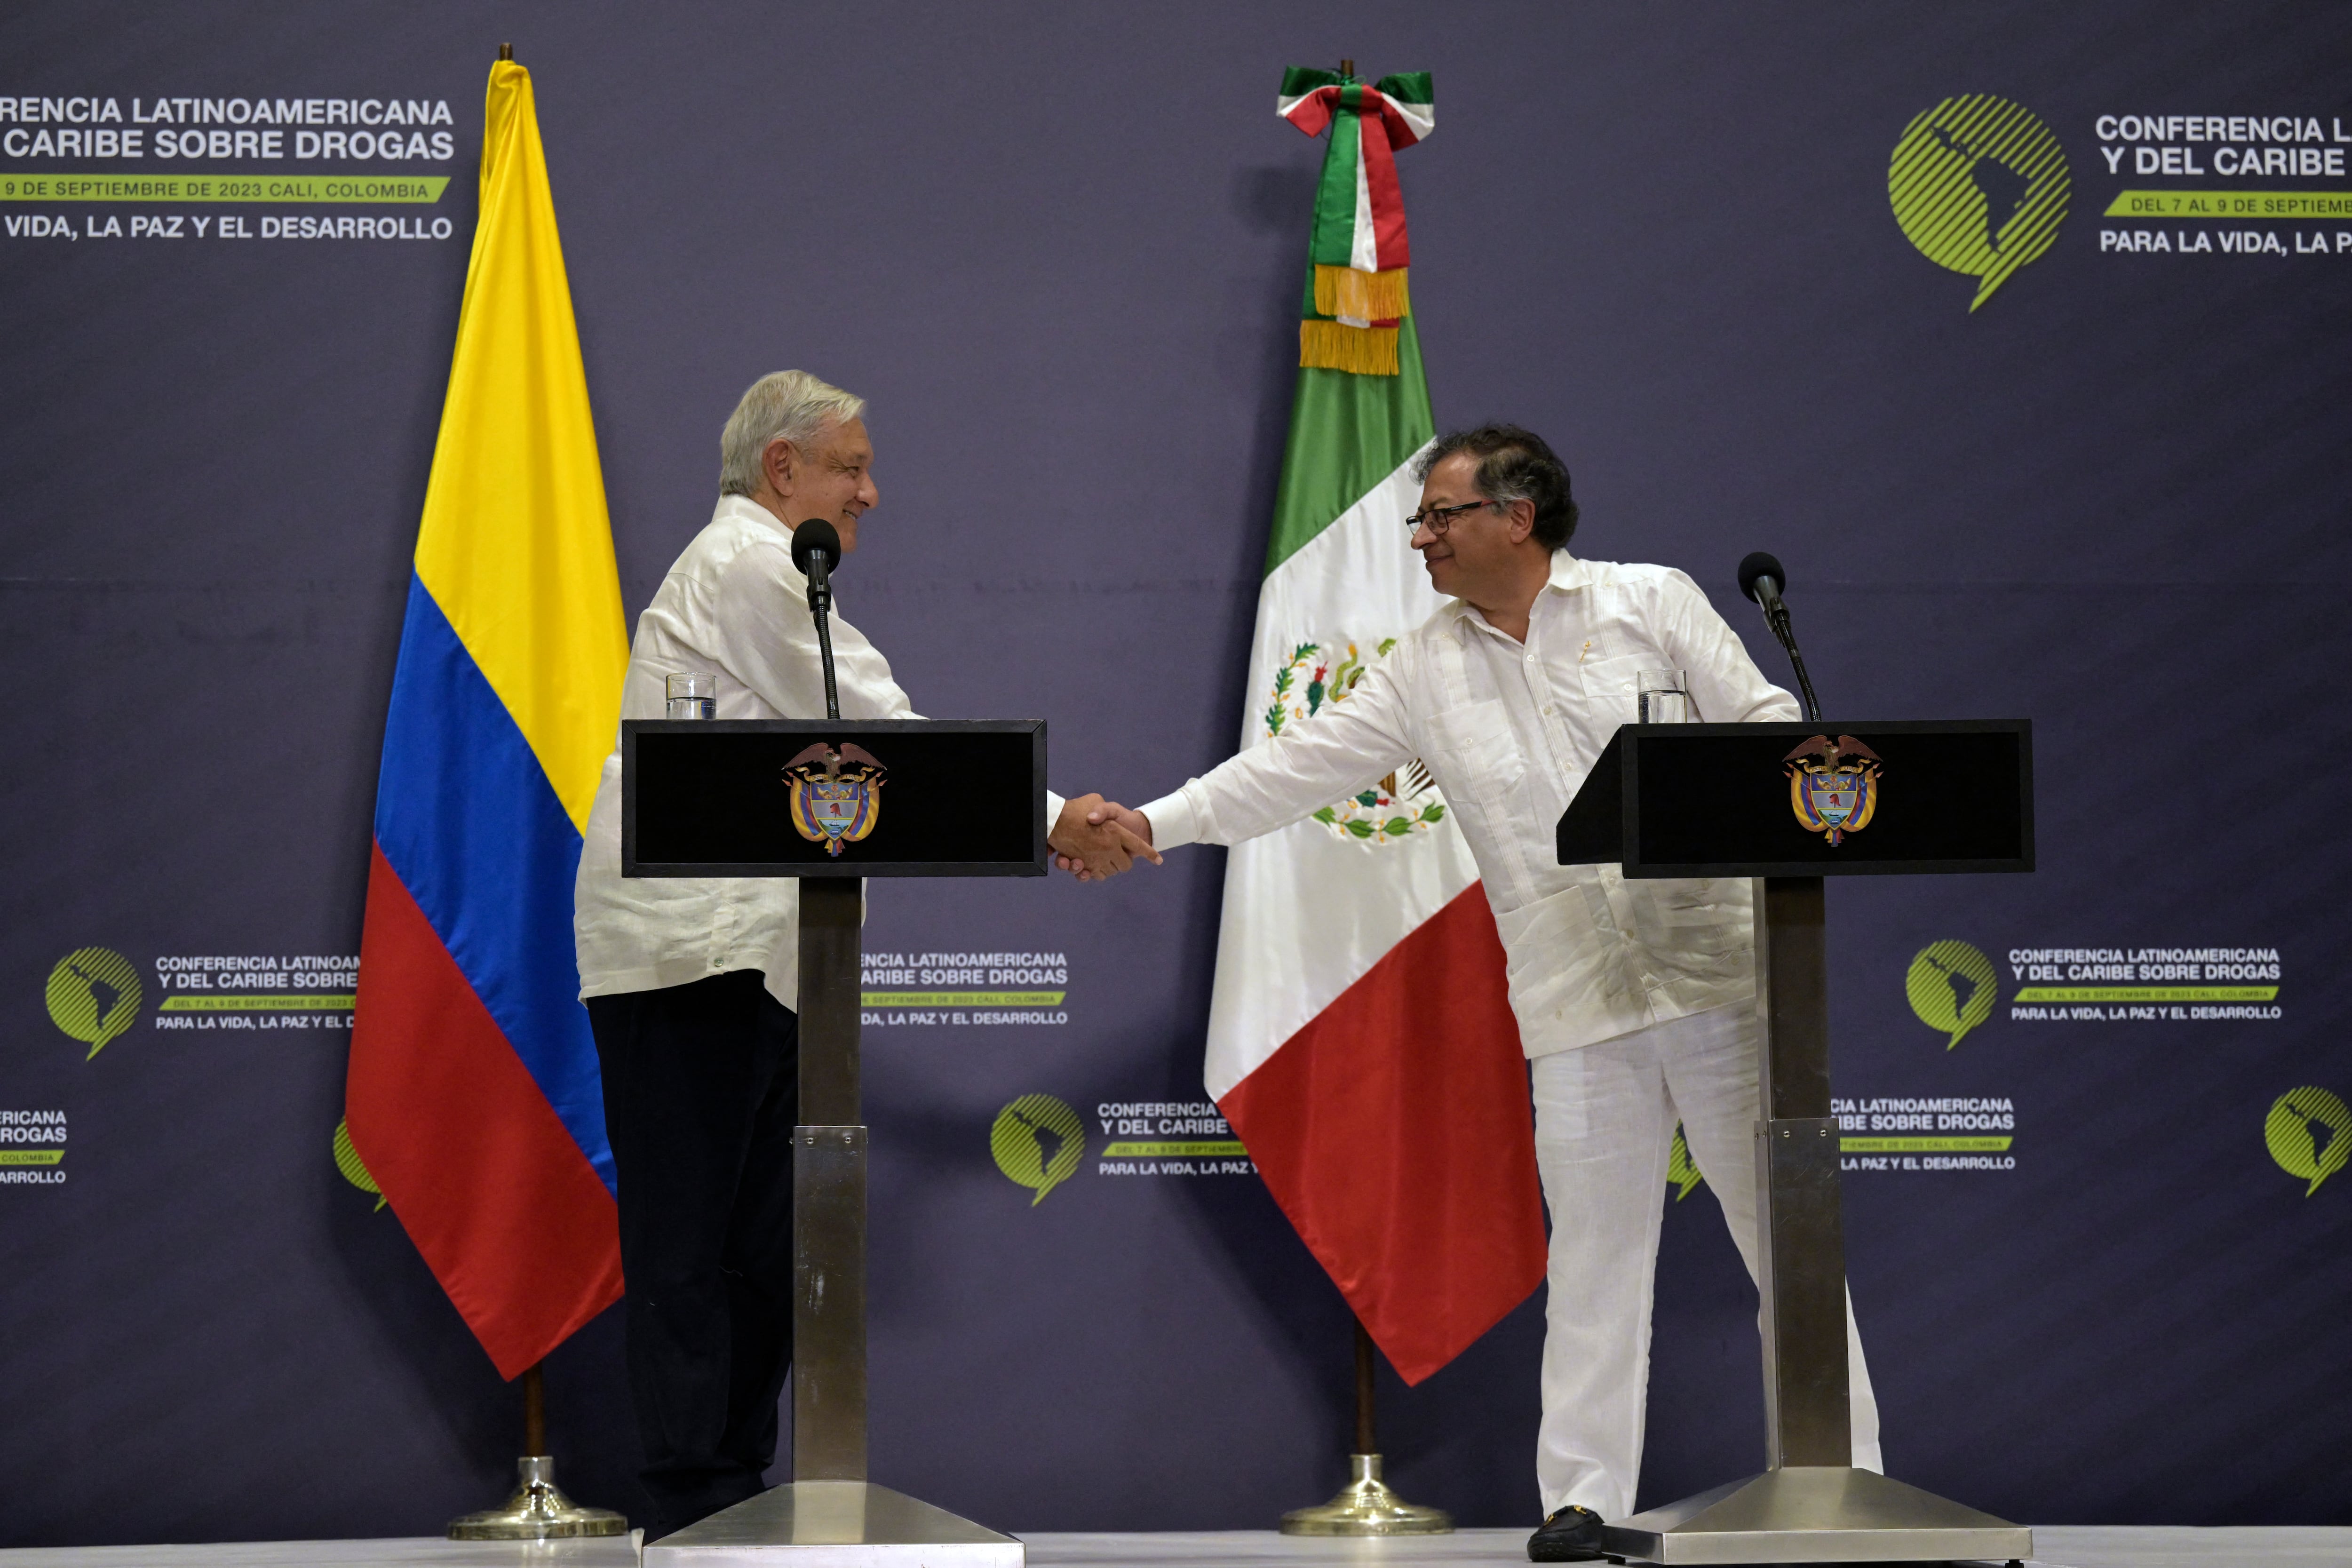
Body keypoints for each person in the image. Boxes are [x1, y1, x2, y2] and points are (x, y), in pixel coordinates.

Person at [1066, 425, 1881, 1560]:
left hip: (1719, 978)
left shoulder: (1650, 601)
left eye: (1442, 515)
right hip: (1573, 999)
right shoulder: (1421, 665)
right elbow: (1289, 767)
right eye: (1421, 517)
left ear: (1518, 514)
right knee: (1594, 1258)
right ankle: (1586, 1502)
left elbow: (1766, 734)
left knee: (1786, 1242)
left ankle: (1844, 1483)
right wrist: (1149, 822)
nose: (1421, 536)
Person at [573, 370, 1152, 1537]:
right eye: (852, 465)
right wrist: (1051, 820)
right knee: (693, 1245)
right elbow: (877, 728)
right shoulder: (750, 561)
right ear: (781, 469)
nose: (872, 492)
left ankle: (731, 1493)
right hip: (689, 955)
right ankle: (694, 1506)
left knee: (753, 1251)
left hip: (773, 958)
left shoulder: (782, 572)